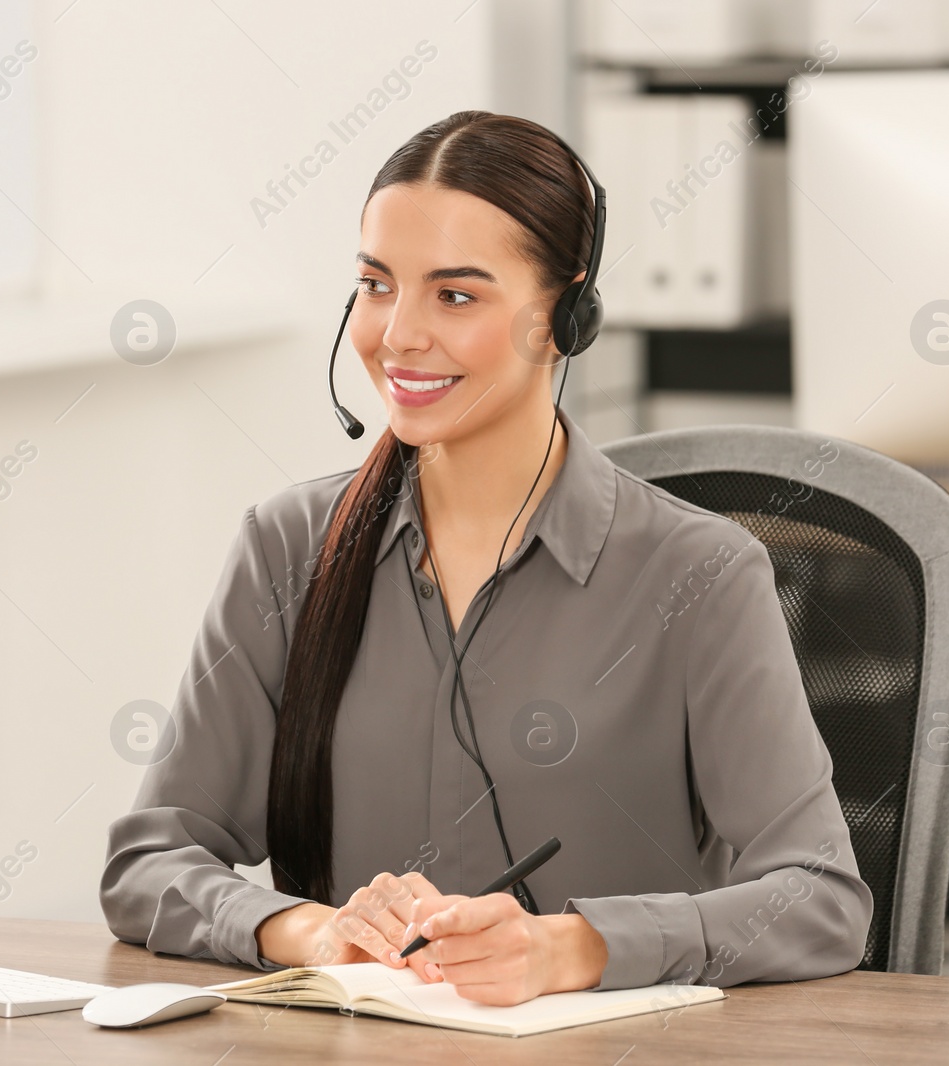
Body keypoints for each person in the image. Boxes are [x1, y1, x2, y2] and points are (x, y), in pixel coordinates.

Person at [101, 110, 872, 1006]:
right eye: (377, 285)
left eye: (456, 295)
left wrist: (574, 949)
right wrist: (311, 930)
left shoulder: (700, 574)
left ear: (564, 318)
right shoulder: (287, 547)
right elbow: (150, 862)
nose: (397, 336)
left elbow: (821, 901)